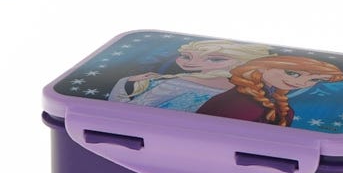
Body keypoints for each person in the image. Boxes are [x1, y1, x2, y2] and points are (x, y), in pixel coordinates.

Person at [108, 40, 271, 111]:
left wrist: (124, 82)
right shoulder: (250, 87)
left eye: (215, 59)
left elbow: (125, 111)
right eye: (186, 56)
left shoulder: (176, 83)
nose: (192, 63)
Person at [197, 56, 343, 126]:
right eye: (292, 73)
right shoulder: (238, 104)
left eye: (314, 79)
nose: (301, 83)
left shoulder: (282, 107)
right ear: (261, 69)